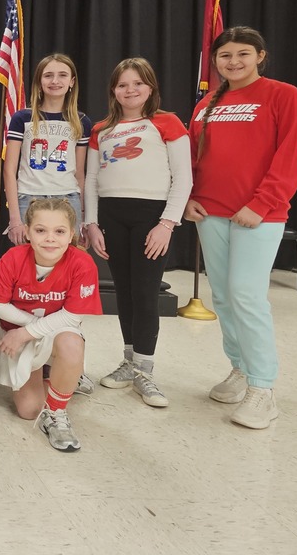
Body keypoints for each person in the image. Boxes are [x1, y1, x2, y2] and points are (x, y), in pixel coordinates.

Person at [185, 27, 297, 429]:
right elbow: (192, 156)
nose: (233, 62)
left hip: (258, 215)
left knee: (247, 296)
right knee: (223, 297)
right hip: (210, 213)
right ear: (216, 61)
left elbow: (290, 155)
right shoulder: (207, 103)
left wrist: (261, 204)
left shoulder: (284, 95)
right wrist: (187, 197)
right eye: (225, 56)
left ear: (260, 56)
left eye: (242, 54)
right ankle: (240, 369)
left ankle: (262, 387)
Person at [84, 58, 192, 408]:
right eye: (122, 85)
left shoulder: (167, 123)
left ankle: (145, 368)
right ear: (113, 91)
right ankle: (129, 361)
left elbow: (184, 178)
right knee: (126, 292)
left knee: (145, 293)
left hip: (151, 217)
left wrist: (167, 223)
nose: (130, 90)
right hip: (112, 217)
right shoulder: (102, 128)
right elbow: (90, 180)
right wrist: (92, 223)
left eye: (137, 84)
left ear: (150, 88)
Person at [0, 198, 101, 452]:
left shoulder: (82, 263)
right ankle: (63, 376)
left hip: (55, 334)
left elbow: (72, 316)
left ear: (71, 235)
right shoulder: (13, 258)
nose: (50, 239)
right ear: (28, 232)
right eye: (41, 230)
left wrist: (27, 332)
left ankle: (56, 412)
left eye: (60, 232)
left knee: (71, 342)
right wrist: (26, 331)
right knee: (29, 410)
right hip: (19, 335)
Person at [3, 54, 92, 243]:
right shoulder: (22, 119)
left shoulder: (81, 121)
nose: (55, 81)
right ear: (39, 81)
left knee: (67, 261)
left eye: (62, 75)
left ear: (72, 81)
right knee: (28, 259)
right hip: (29, 196)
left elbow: (80, 174)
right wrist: (14, 218)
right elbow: (9, 171)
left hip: (68, 198)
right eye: (48, 75)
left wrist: (83, 216)